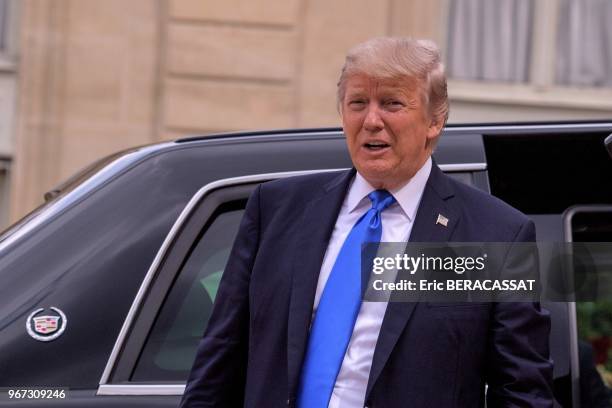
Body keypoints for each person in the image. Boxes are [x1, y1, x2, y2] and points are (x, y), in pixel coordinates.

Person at [179, 37, 554, 407]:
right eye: (358, 103)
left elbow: (522, 393)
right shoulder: (276, 209)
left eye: (392, 103)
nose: (371, 120)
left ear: (435, 121)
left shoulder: (497, 236)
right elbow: (219, 360)